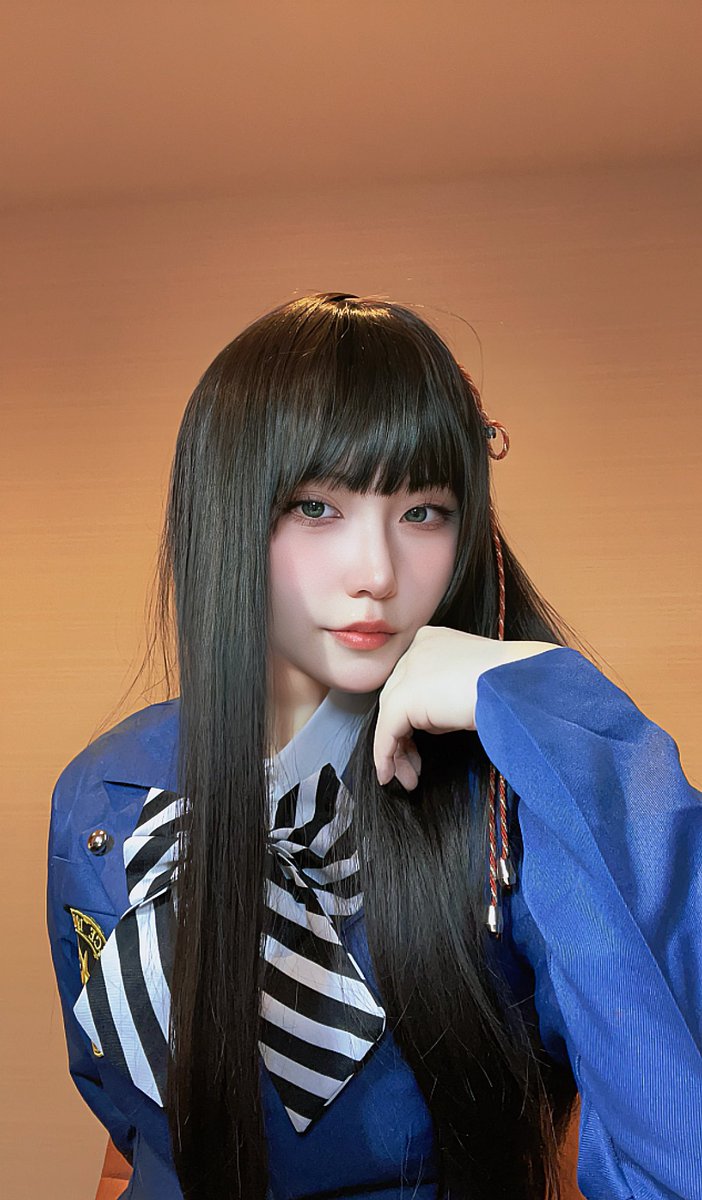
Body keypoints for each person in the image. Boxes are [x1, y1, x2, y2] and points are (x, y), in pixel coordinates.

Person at [47, 292, 702, 1200]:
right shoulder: (103, 792)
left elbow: (674, 1135)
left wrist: (553, 712)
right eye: (317, 507)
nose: (378, 574)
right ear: (225, 513)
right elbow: (126, 1129)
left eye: (424, 511)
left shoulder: (513, 793)